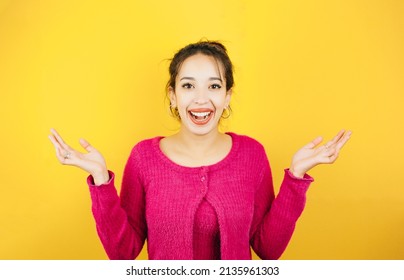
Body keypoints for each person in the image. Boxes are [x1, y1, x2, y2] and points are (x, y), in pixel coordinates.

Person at [48, 40, 352, 260]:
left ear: (228, 96)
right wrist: (101, 181)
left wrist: (296, 178)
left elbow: (268, 250)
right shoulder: (143, 159)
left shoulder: (252, 155)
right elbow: (123, 253)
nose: (201, 99)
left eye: (214, 86)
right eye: (189, 86)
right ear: (173, 94)